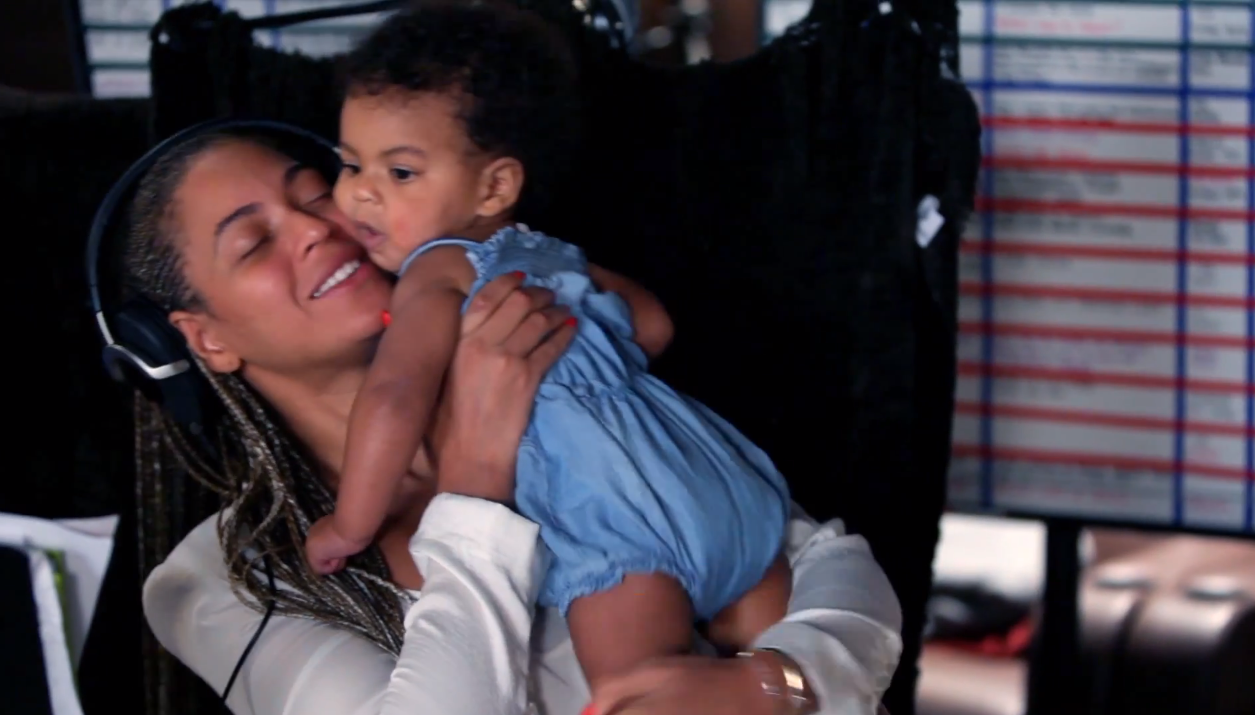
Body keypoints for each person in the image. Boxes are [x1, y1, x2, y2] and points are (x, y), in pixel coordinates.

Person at [122, 123, 901, 715]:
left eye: (315, 192)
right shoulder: (219, 580)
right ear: (203, 338)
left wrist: (772, 683)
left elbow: (825, 560)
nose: (315, 228)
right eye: (255, 241)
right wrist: (473, 489)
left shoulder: (547, 370)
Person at [302, 2, 792, 688]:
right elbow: (652, 324)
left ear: (496, 185)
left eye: (400, 173)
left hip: (612, 527)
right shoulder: (552, 256)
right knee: (805, 679)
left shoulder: (436, 269)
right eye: (350, 165)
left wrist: (350, 525)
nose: (359, 196)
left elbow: (394, 395)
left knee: (640, 693)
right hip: (712, 481)